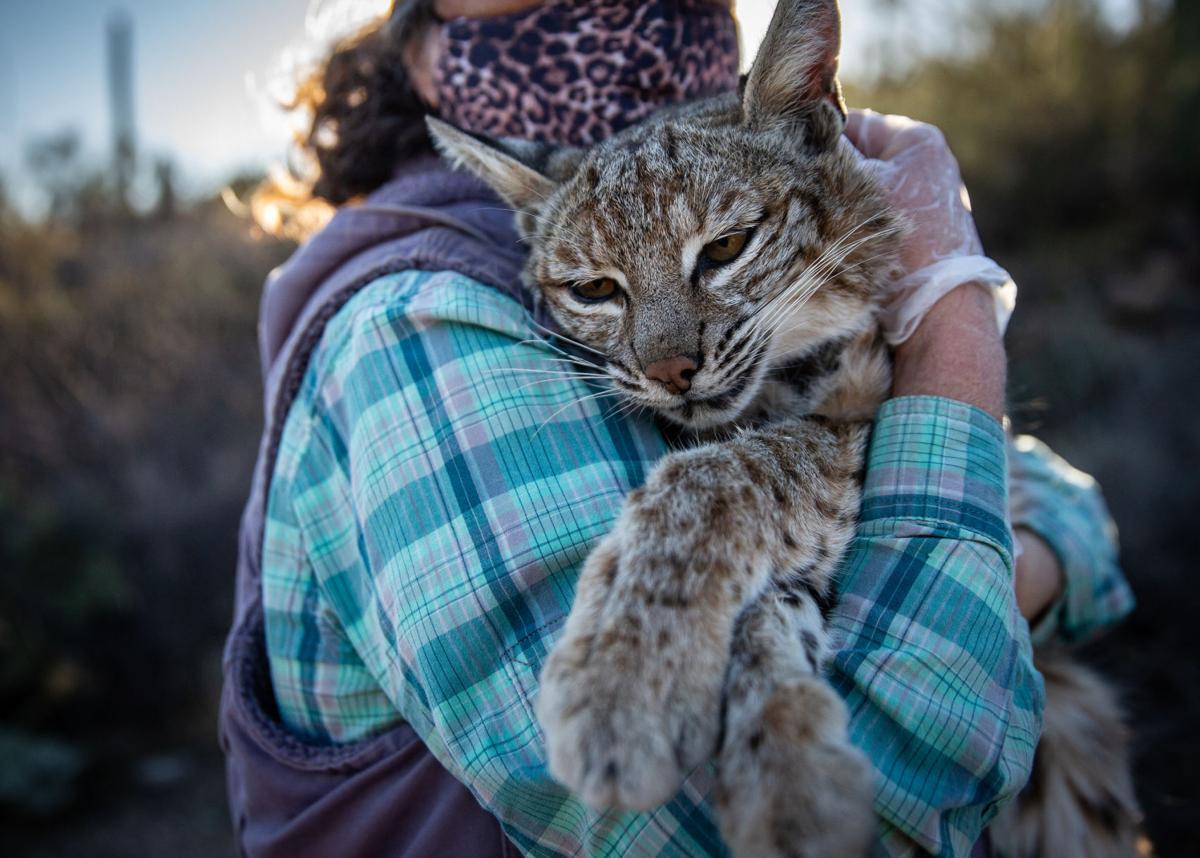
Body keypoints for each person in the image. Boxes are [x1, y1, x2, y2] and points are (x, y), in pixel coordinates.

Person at [220, 2, 1135, 856]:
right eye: (597, 293)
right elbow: (863, 810)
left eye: (723, 251)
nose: (669, 358)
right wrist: (951, 313)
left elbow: (1069, 513)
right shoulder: (415, 328)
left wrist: (1021, 540)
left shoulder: (716, 168)